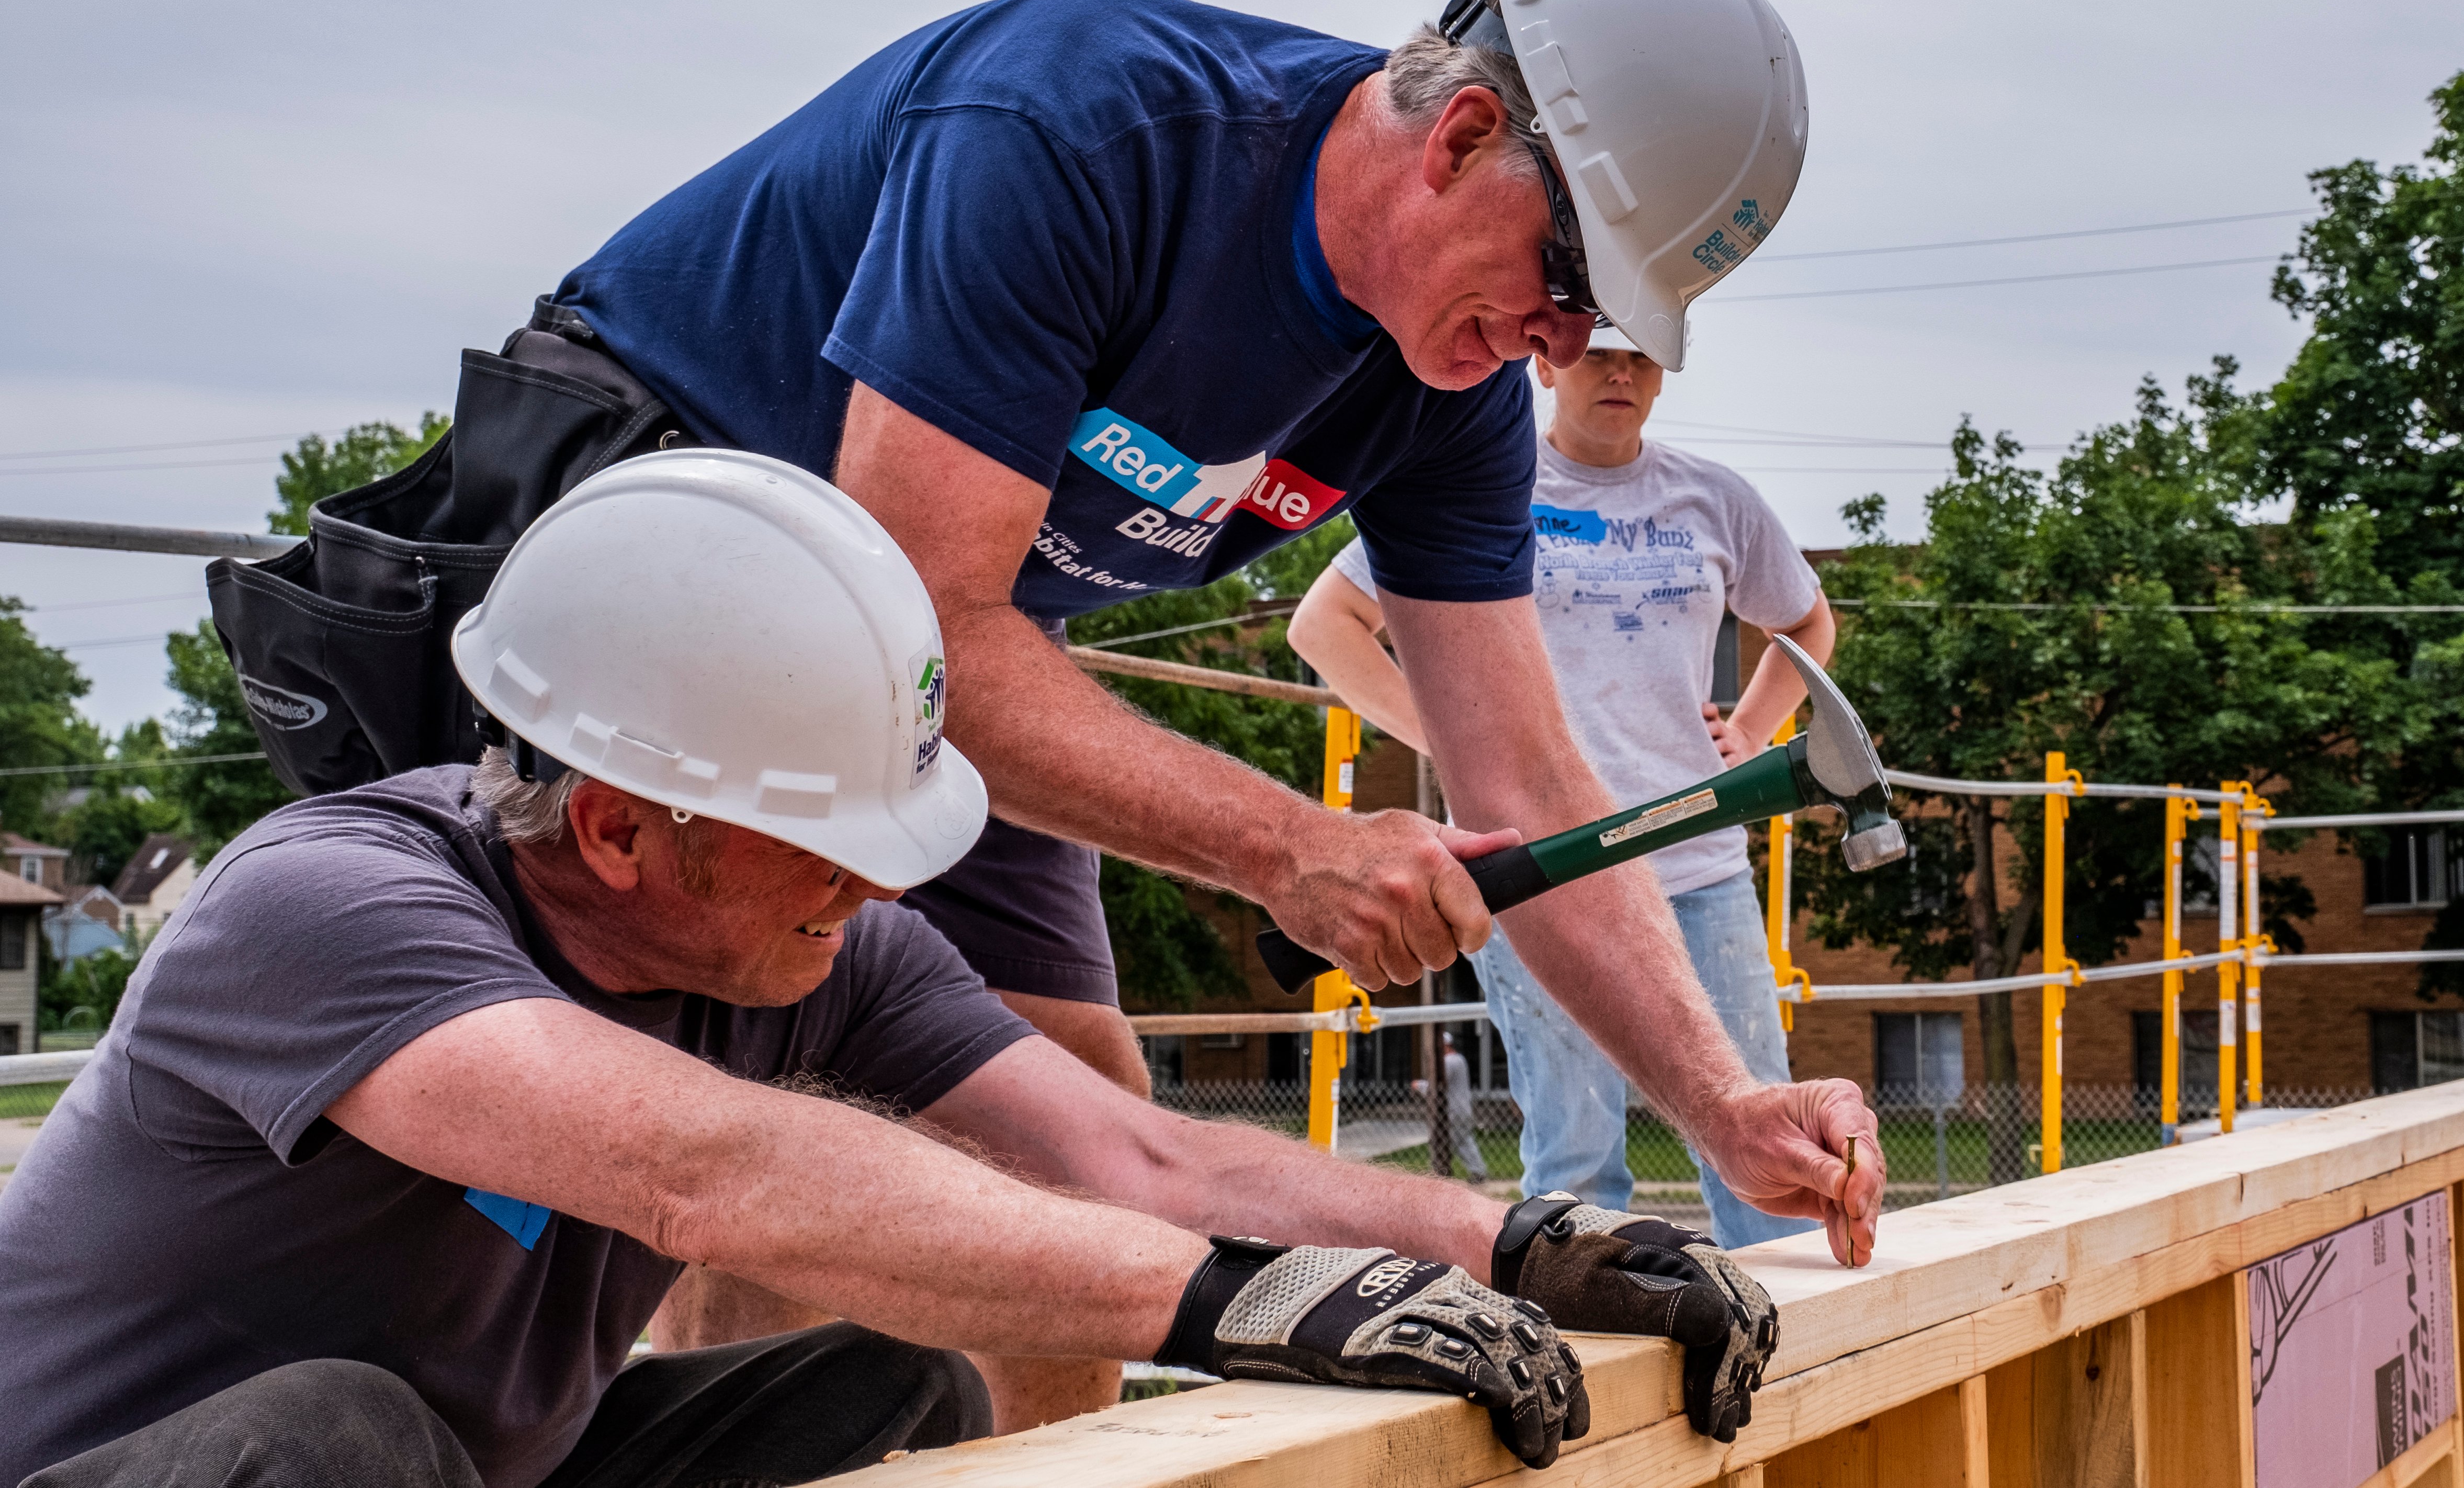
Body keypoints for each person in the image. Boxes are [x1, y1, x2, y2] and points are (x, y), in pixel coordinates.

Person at [213, 0, 1883, 1319]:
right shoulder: (1083, 128)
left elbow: (1525, 764)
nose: (1552, 346)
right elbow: (920, 607)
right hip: (670, 544)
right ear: (1455, 142)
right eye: (1564, 286)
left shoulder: (1439, 387)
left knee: (1076, 1105)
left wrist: (1718, 1100)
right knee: (748, 1121)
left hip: (940, 644)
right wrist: (1284, 843)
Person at [0, 456, 1782, 1488]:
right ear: (619, 826)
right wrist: (1230, 1301)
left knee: (895, 1393)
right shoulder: (330, 907)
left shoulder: (788, 935)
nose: (880, 877)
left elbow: (1132, 1157)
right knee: (334, 1435)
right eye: (832, 826)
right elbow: (711, 1173)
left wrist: (1517, 1246)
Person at [1287, 326, 1837, 1247]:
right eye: (1597, 353)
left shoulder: (1711, 499)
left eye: (1641, 359)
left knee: (1759, 1131)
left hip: (1696, 859)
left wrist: (1746, 734)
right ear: (1545, 362)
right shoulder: (1487, 484)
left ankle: (1791, 1364)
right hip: (1538, 865)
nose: (1619, 373)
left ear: (1663, 376)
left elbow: (1806, 625)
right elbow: (1325, 623)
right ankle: (1594, 1365)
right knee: (1576, 1158)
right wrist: (1450, 738)